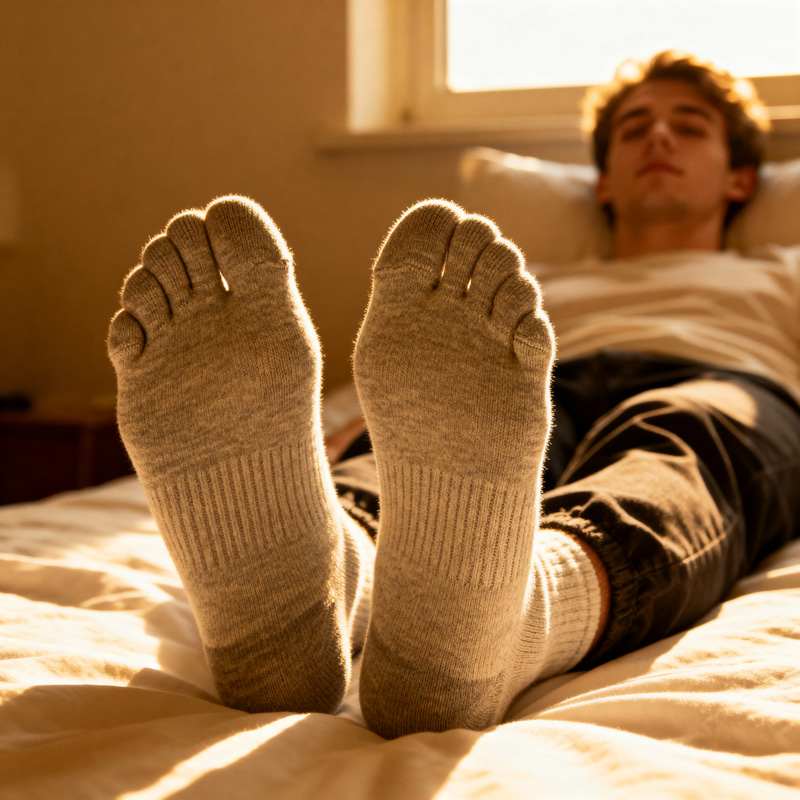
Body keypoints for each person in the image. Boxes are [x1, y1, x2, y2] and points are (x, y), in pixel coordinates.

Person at [107, 51, 800, 740]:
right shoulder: (518, 287)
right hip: (539, 380)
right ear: (603, 185)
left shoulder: (781, 273)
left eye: (690, 125)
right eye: (634, 127)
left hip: (722, 377)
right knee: (424, 434)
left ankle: (502, 627)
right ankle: (311, 601)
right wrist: (355, 433)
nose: (658, 137)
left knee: (681, 439)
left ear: (741, 178)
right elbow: (429, 387)